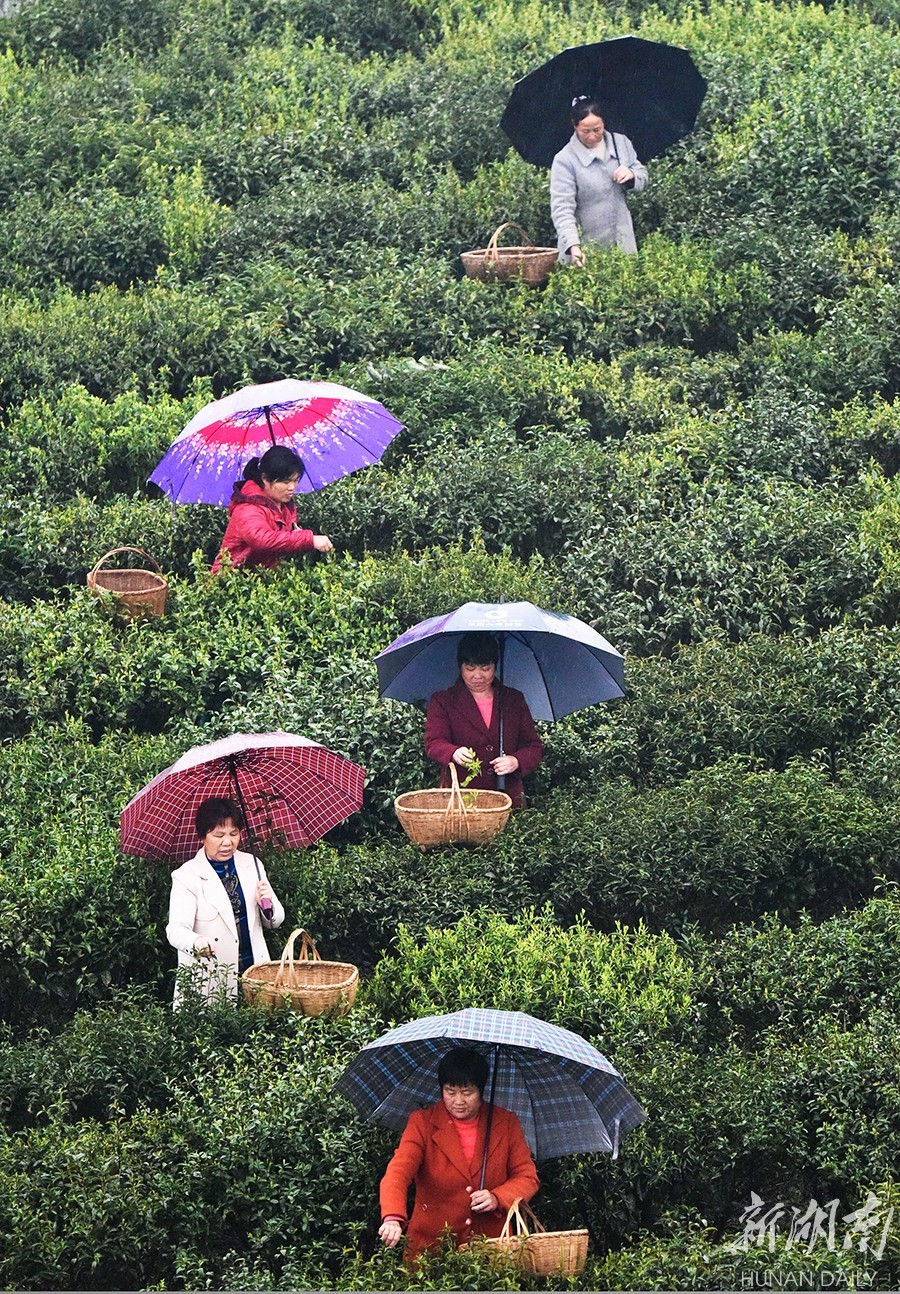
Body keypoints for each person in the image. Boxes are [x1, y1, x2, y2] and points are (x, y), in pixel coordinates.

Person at [378, 1047, 539, 1261]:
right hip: (431, 1246)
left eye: (467, 1092)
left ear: (481, 1090)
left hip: (490, 1247)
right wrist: (392, 1217)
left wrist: (497, 1197)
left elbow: (527, 1177)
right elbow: (397, 1173)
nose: (458, 1101)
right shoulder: (422, 1123)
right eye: (450, 1091)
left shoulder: (506, 1122)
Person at [165, 796, 285, 1006]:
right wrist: (196, 942)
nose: (227, 842)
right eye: (218, 835)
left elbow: (274, 922)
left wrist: (268, 904)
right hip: (211, 978)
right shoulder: (186, 876)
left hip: (254, 972)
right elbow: (175, 929)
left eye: (234, 834)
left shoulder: (252, 864)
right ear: (203, 835)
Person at [423, 632, 543, 808]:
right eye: (470, 669)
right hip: (460, 800)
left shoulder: (513, 699)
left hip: (507, 797)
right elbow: (433, 742)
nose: (478, 676)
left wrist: (515, 761)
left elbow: (534, 747)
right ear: (460, 666)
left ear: (495, 666)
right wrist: (452, 752)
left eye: (485, 668)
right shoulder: (443, 700)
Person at [550, 96, 648, 263]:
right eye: (585, 131)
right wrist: (573, 245)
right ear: (575, 126)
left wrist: (631, 176)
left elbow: (642, 176)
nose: (592, 136)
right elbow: (562, 209)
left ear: (604, 123)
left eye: (597, 129)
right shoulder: (564, 160)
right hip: (586, 249)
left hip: (624, 245)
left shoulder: (621, 143)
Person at [212, 445, 333, 572]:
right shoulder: (247, 508)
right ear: (265, 478)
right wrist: (309, 539)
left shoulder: (283, 502)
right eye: (285, 482)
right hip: (232, 581)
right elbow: (262, 540)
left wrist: (296, 533)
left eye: (296, 480)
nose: (292, 487)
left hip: (264, 577)